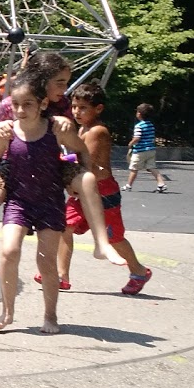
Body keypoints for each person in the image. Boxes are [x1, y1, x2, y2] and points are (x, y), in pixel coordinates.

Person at [0, 51, 125, 288]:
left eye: (66, 82)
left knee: (87, 180)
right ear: (42, 80)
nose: (65, 88)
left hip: (50, 162)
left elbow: (74, 144)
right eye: (60, 82)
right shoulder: (11, 102)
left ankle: (102, 243)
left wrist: (78, 171)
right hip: (12, 163)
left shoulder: (62, 105)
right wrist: (0, 127)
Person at [0, 75, 92, 335]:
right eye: (16, 104)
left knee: (47, 262)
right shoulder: (7, 132)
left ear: (42, 104)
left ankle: (50, 315)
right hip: (18, 200)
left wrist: (79, 176)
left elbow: (81, 150)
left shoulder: (56, 129)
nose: (20, 110)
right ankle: (7, 312)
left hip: (49, 200)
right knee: (8, 252)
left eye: (27, 104)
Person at [57, 80, 152, 294]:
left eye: (83, 108)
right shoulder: (82, 129)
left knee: (113, 237)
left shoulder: (96, 131)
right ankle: (62, 275)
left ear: (98, 109)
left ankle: (138, 270)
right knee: (64, 226)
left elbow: (85, 159)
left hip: (103, 192)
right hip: (83, 189)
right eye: (74, 107)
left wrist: (60, 158)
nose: (77, 112)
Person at [125, 102, 168, 192]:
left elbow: (137, 138)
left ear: (139, 114)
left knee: (134, 168)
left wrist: (130, 144)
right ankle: (161, 183)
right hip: (151, 150)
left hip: (140, 151)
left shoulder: (138, 126)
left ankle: (128, 185)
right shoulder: (150, 125)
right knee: (152, 167)